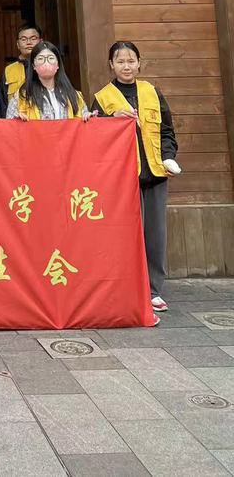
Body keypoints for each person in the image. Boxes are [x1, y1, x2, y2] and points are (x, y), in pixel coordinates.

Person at [91, 41, 180, 313]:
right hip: (122, 179)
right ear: (111, 65)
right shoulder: (103, 97)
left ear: (139, 63)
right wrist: (112, 120)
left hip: (155, 175)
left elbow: (167, 131)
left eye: (131, 61)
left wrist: (169, 156)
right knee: (124, 235)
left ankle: (153, 290)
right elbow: (95, 139)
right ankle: (128, 288)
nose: (126, 66)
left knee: (155, 235)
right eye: (120, 61)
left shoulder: (152, 92)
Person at [6, 40, 89, 120]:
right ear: (33, 65)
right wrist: (16, 120)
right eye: (40, 59)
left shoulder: (74, 95)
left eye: (51, 58)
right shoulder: (22, 96)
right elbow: (9, 125)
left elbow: (84, 121)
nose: (46, 62)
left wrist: (88, 118)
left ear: (58, 64)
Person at [4, 22, 43, 101]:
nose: (28, 42)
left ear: (41, 42)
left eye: (33, 38)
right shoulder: (9, 70)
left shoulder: (49, 66)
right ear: (18, 44)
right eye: (23, 39)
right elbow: (3, 102)